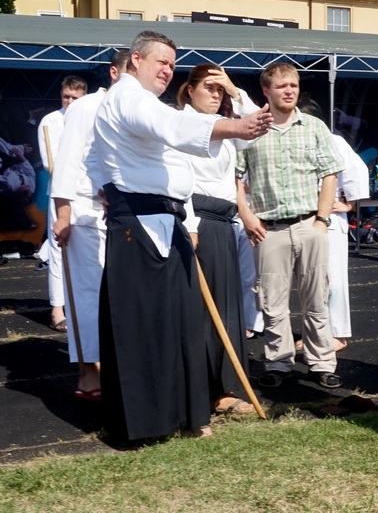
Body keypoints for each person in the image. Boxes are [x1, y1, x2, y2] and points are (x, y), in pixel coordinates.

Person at [93, 31, 273, 441]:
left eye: (172, 65)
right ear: (135, 60)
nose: (167, 71)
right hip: (138, 222)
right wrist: (235, 126)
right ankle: (146, 423)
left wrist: (237, 122)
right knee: (144, 324)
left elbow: (180, 142)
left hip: (167, 220)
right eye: (161, 62)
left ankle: (187, 414)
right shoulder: (127, 98)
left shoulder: (145, 104)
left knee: (183, 322)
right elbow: (171, 124)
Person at [236, 63, 345, 389]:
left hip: (309, 224)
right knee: (272, 302)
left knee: (316, 299)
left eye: (293, 85)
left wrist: (322, 221)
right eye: (282, 85)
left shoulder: (314, 127)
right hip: (269, 230)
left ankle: (322, 363)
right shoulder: (251, 131)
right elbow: (235, 178)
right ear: (266, 90)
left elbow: (330, 174)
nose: (289, 91)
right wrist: (247, 215)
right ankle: (278, 363)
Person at [177, 63, 262, 415]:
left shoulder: (222, 128)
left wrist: (233, 87)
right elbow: (178, 180)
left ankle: (226, 386)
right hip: (198, 222)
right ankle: (204, 390)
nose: (216, 94)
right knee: (201, 311)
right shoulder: (183, 124)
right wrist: (191, 225)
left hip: (224, 224)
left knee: (227, 308)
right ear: (191, 89)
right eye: (209, 87)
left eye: (220, 90)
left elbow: (260, 124)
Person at [51, 51, 129, 401]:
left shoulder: (133, 109)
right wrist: (64, 214)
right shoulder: (85, 107)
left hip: (123, 213)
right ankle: (87, 373)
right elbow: (66, 162)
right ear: (114, 73)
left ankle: (113, 366)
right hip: (84, 210)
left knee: (118, 294)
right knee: (86, 293)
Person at [298, 98, 370, 352]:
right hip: (305, 218)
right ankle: (315, 332)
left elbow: (357, 170)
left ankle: (337, 334)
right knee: (310, 279)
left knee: (334, 278)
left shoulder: (335, 141)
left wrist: (349, 204)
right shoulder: (295, 142)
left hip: (329, 218)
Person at [37, 75, 88, 332]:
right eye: (66, 96)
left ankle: (80, 304)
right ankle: (57, 308)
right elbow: (51, 163)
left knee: (86, 250)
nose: (69, 101)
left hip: (87, 195)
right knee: (59, 251)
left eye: (74, 97)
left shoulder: (88, 120)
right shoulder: (51, 121)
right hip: (61, 193)